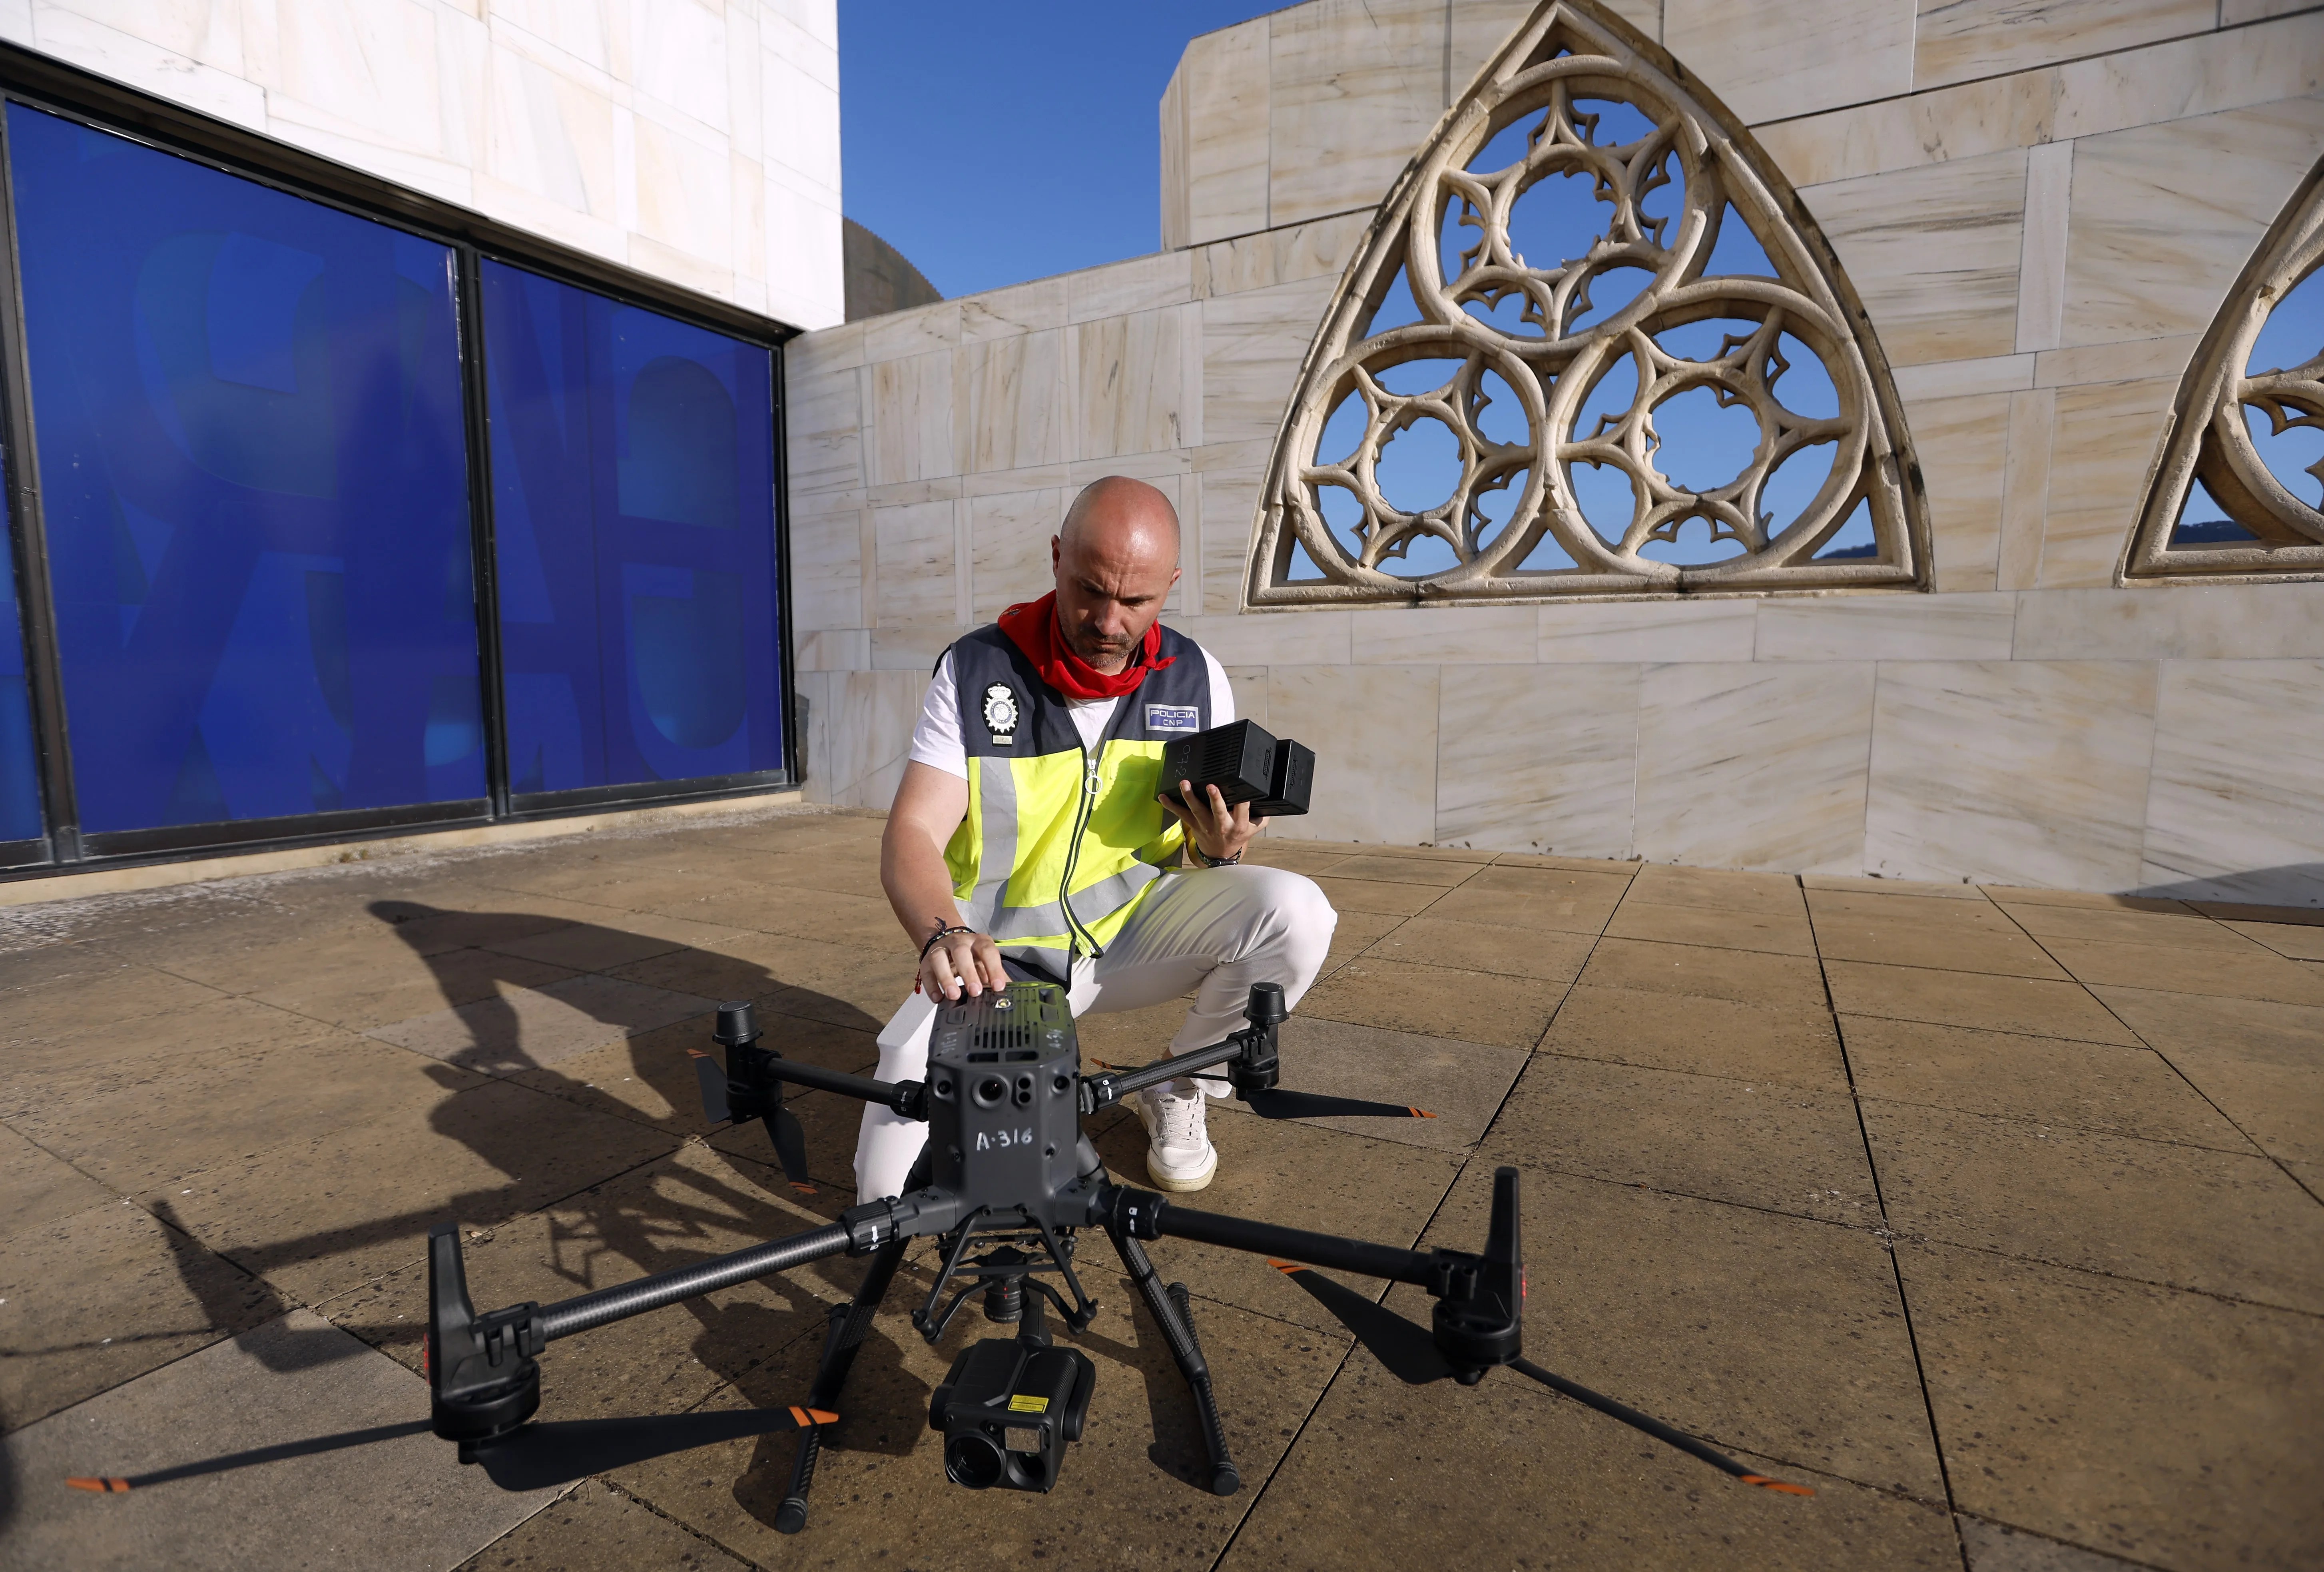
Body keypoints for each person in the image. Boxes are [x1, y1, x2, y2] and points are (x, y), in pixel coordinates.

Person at [857, 475, 1338, 1200]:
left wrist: (1218, 850)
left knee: (1296, 912)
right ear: (1056, 557)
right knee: (885, 1198)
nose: (1109, 622)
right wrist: (942, 935)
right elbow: (913, 830)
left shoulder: (1196, 678)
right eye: (1089, 590)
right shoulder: (976, 669)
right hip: (995, 960)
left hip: (1125, 939)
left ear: (1170, 585)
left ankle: (1180, 1084)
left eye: (1136, 601)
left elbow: (1193, 856)